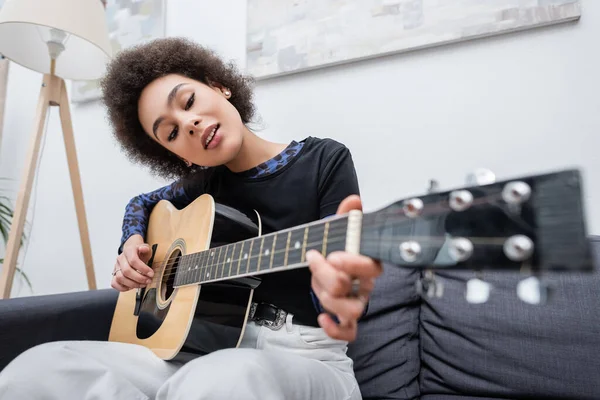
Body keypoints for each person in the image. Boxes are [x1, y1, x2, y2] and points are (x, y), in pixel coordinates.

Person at [0, 37, 382, 400]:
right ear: (179, 156)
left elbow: (342, 294)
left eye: (189, 101)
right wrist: (132, 244)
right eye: (172, 132)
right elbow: (141, 203)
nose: (190, 124)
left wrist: (339, 292)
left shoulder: (323, 160)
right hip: (198, 355)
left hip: (304, 358)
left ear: (220, 87)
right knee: (40, 366)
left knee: (224, 377)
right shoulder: (201, 188)